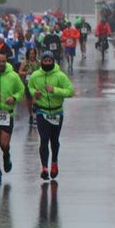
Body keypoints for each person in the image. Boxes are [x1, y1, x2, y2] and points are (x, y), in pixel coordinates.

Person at [26, 51, 74, 180]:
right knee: (44, 139)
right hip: (42, 111)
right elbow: (30, 87)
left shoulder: (60, 76)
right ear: (41, 62)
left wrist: (55, 90)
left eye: (49, 61)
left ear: (53, 62)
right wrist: (34, 93)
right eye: (45, 61)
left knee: (54, 140)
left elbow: (70, 91)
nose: (47, 63)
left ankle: (54, 163)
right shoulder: (36, 75)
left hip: (57, 111)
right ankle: (44, 168)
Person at [0, 51, 25, 183]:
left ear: (6, 61)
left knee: (4, 144)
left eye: (3, 61)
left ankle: (6, 156)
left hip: (7, 114)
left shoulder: (13, 76)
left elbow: (21, 90)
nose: (1, 64)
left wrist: (14, 98)